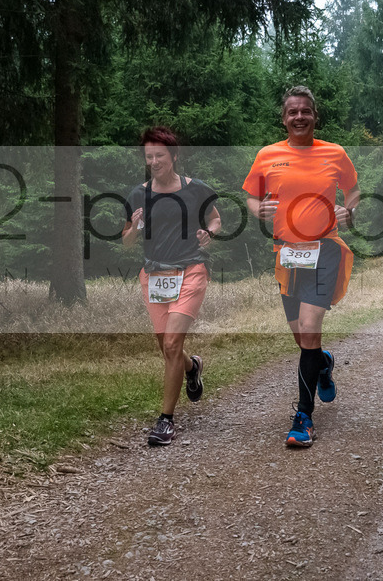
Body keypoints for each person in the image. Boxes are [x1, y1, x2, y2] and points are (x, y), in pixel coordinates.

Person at [243, 86, 360, 449]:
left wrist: (349, 211)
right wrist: (257, 209)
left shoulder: (334, 153)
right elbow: (251, 195)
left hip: (325, 249)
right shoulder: (268, 155)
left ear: (314, 116)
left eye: (305, 111)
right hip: (288, 254)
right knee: (302, 338)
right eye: (292, 112)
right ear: (284, 119)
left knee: (309, 329)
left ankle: (303, 418)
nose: (299, 117)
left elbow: (353, 190)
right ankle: (323, 363)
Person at [122, 126, 221, 446]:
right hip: (154, 275)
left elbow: (216, 218)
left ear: (174, 156)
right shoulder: (138, 194)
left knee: (172, 344)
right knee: (167, 348)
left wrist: (209, 233)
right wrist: (134, 227)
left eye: (160, 156)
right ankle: (192, 368)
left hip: (191, 270)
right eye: (149, 156)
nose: (153, 162)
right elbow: (126, 241)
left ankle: (165, 420)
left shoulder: (196, 189)